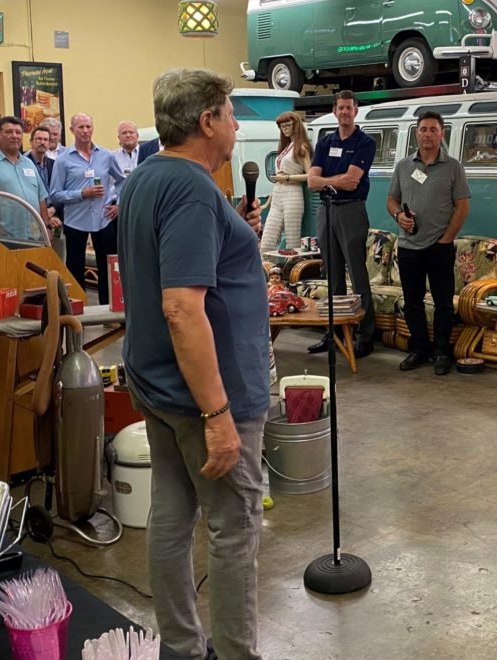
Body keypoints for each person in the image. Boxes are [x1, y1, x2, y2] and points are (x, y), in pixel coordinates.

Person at [117, 69, 266, 660]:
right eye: (230, 115)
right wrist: (218, 414)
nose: (236, 127)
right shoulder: (191, 188)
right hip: (206, 393)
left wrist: (233, 237)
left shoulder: (146, 176)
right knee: (234, 527)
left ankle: (181, 646)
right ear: (207, 121)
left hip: (158, 383)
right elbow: (181, 307)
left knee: (172, 516)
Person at [387, 110, 470, 376]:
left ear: (442, 134)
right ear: (416, 133)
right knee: (412, 302)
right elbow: (392, 200)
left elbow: (462, 206)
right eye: (423, 129)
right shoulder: (403, 166)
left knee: (443, 303)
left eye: (434, 129)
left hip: (439, 246)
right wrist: (399, 216)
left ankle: (442, 352)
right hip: (408, 246)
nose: (428, 134)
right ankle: (419, 349)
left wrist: (447, 239)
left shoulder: (453, 167)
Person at [307, 91, 377, 359]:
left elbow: (352, 181)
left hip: (351, 210)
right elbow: (311, 181)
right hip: (326, 211)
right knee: (332, 275)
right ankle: (334, 334)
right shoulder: (325, 142)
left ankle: (365, 336)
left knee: (357, 275)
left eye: (349, 108)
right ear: (334, 111)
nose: (345, 112)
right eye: (340, 108)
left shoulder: (365, 143)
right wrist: (333, 181)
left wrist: (325, 181)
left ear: (355, 111)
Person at [50, 113, 125, 305]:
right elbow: (55, 194)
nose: (85, 131)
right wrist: (82, 193)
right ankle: (78, 309)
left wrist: (118, 204)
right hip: (75, 222)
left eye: (88, 127)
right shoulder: (63, 160)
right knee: (75, 267)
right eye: (80, 127)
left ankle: (108, 309)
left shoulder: (106, 156)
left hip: (103, 219)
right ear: (71, 130)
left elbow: (122, 182)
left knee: (108, 267)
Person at [0, 115, 58, 241]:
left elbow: (41, 198)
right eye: (9, 132)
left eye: (18, 132)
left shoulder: (28, 163)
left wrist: (46, 227)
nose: (14, 136)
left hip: (34, 237)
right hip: (4, 238)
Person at [260, 113, 313, 254]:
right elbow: (279, 178)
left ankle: (292, 266)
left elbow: (310, 175)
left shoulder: (301, 147)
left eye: (287, 125)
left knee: (292, 241)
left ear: (296, 126)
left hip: (293, 193)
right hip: (278, 194)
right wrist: (267, 203)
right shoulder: (287, 147)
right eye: (281, 126)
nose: (284, 129)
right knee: (267, 241)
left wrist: (287, 178)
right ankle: (267, 266)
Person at [28, 124, 65, 260]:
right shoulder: (24, 164)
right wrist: (45, 215)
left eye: (45, 139)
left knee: (57, 258)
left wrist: (53, 209)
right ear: (31, 142)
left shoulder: (54, 164)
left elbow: (62, 191)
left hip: (55, 217)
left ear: (49, 143)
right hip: (32, 218)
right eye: (38, 139)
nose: (42, 142)